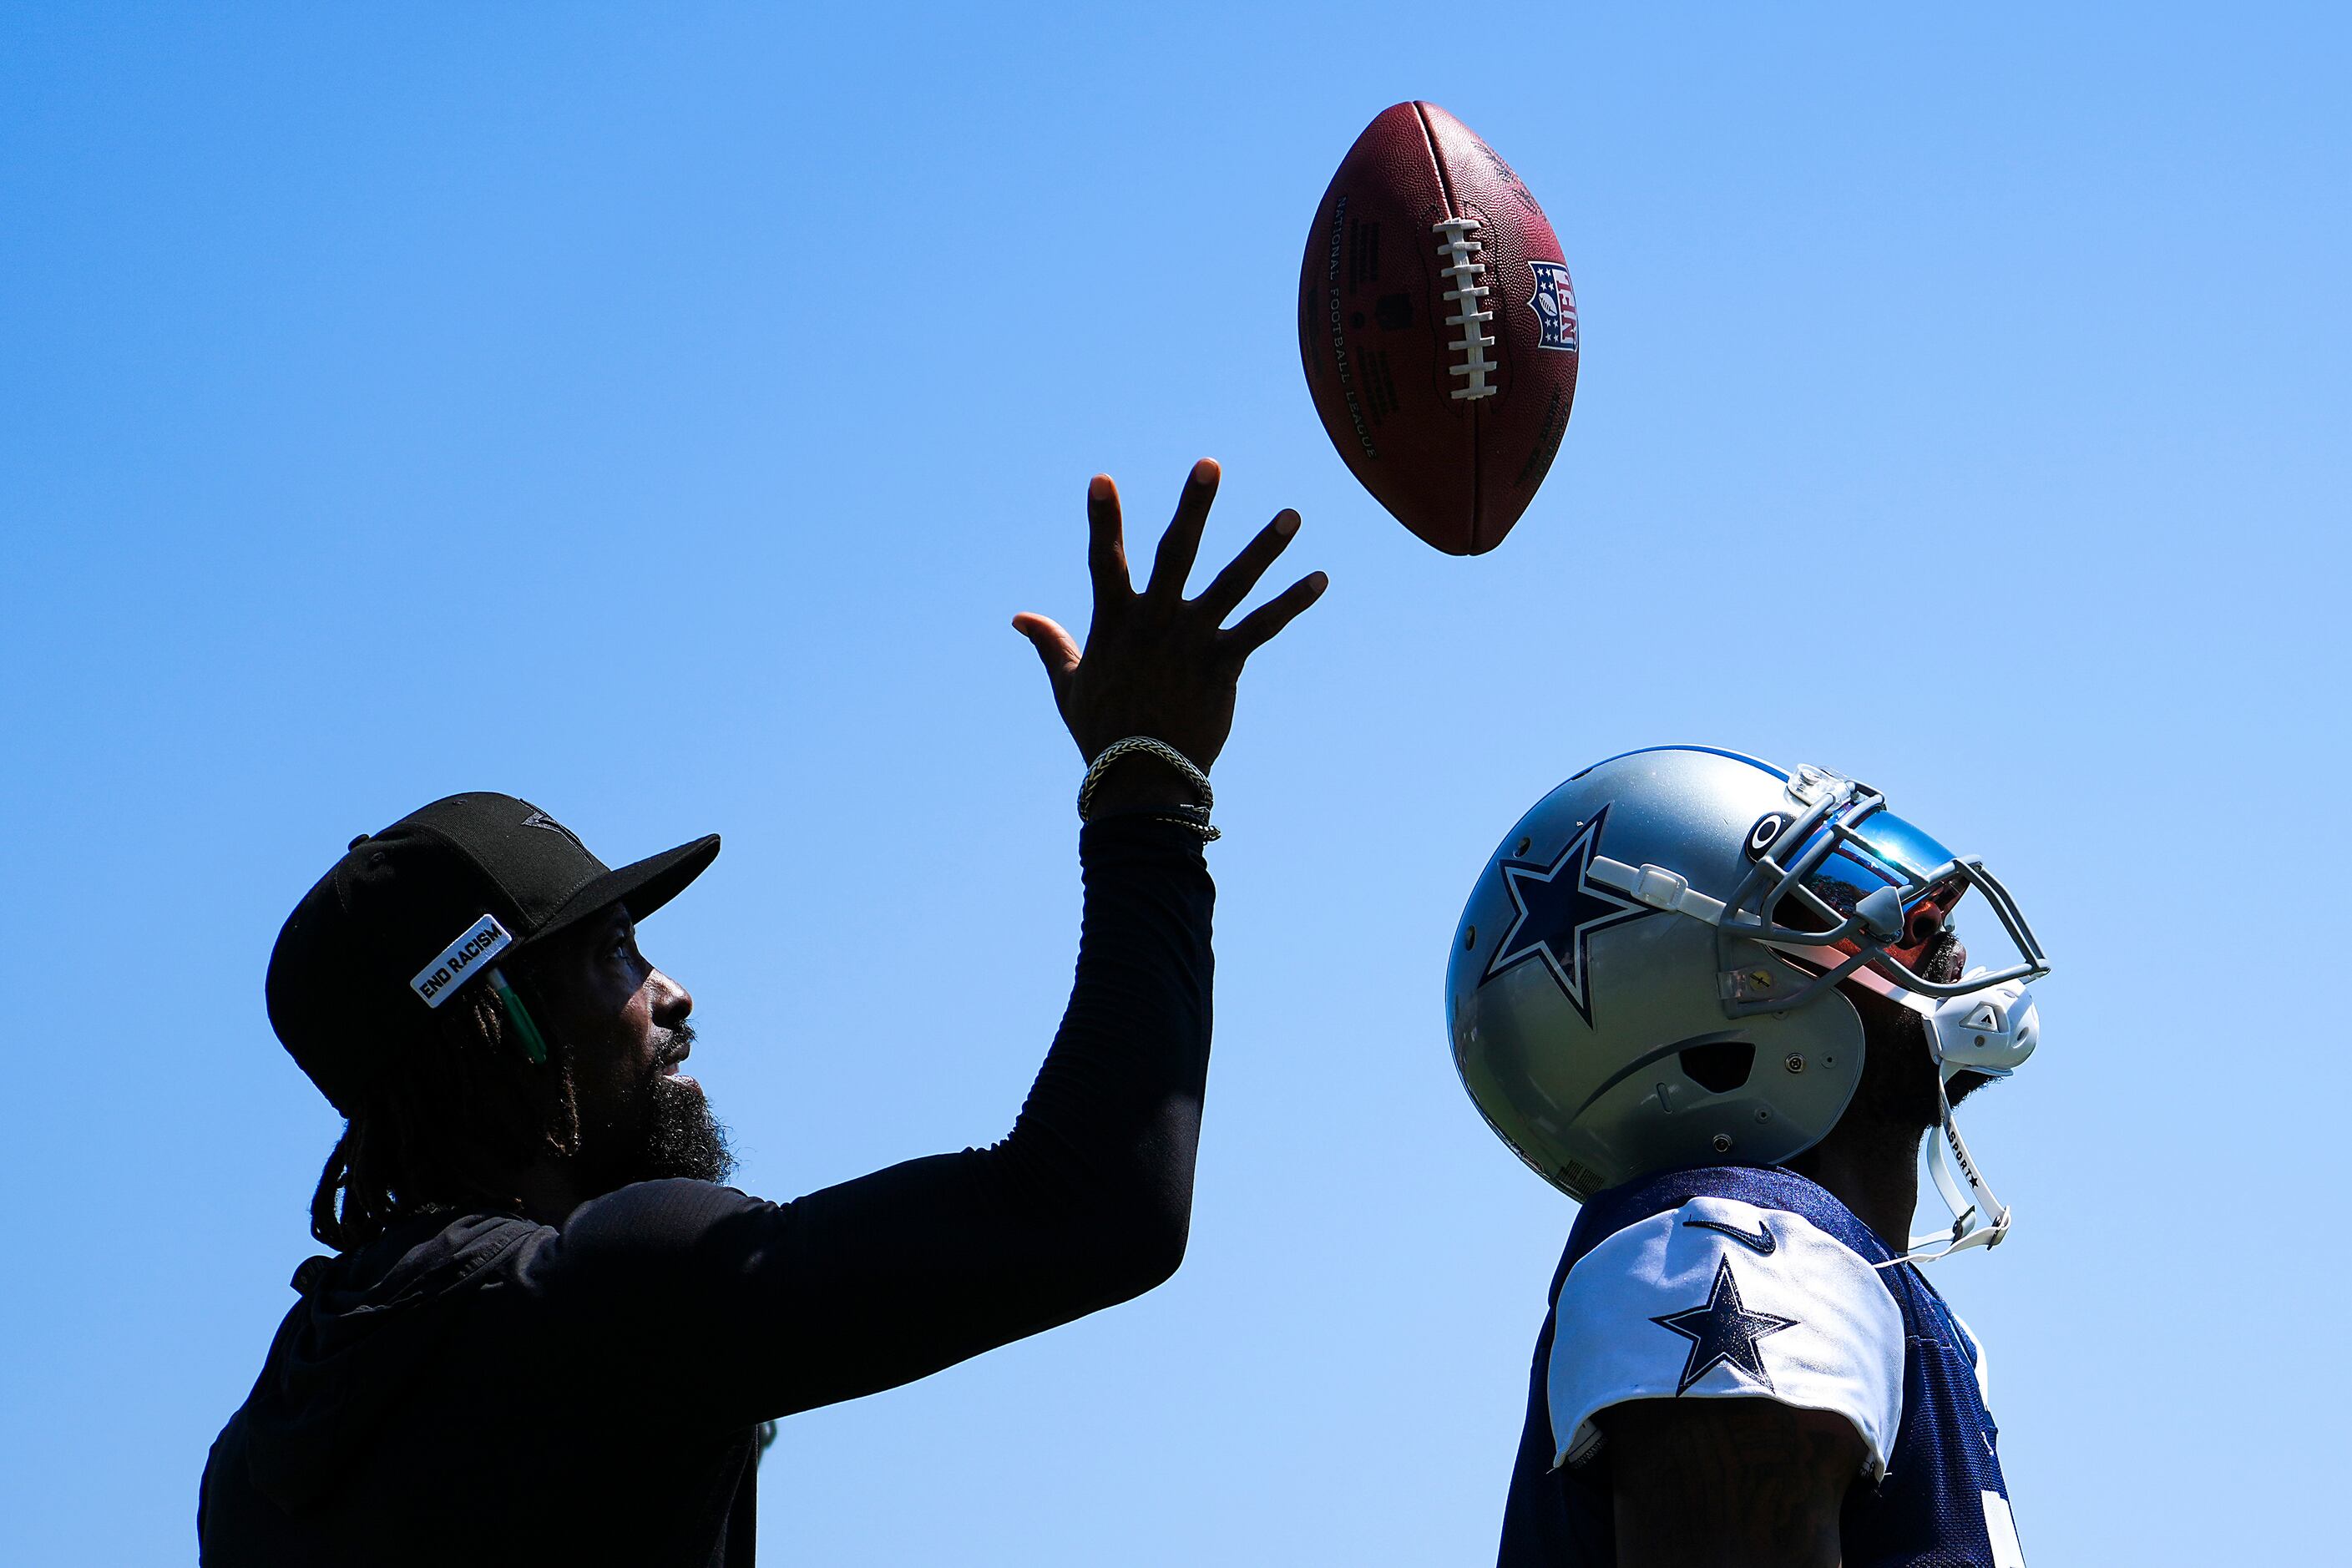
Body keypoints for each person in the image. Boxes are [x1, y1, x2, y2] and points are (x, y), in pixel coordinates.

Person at [199, 462, 1326, 1566]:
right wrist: (1151, 784)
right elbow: (1094, 1203)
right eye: (615, 953)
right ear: (505, 1024)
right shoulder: (596, 1301)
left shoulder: (252, 1469)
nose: (671, 992)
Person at [1444, 746, 2051, 1568]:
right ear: (1711, 1034)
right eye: (1826, 907)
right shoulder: (1738, 1243)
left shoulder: (1860, 1283)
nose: (1923, 919)